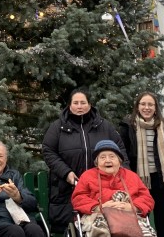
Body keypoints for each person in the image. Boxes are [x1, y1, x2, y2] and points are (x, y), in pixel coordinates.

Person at [42, 87, 128, 233]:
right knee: (74, 228)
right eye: (76, 103)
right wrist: (66, 173)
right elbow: (48, 151)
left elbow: (120, 152)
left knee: (104, 227)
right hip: (68, 187)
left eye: (83, 102)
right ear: (69, 105)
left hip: (103, 187)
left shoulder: (104, 126)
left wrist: (123, 176)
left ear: (90, 104)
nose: (79, 106)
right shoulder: (57, 127)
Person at [118, 91, 164, 237]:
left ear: (156, 108)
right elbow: (122, 154)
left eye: (150, 104)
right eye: (143, 104)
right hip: (138, 181)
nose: (146, 107)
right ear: (137, 106)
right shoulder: (127, 126)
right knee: (140, 220)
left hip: (162, 180)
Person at [71, 139, 154, 219]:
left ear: (119, 161)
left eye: (112, 156)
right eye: (102, 157)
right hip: (98, 218)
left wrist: (133, 207)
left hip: (131, 218)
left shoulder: (132, 176)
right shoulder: (87, 176)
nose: (107, 160)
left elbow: (147, 198)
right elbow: (78, 198)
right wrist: (99, 208)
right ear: (97, 162)